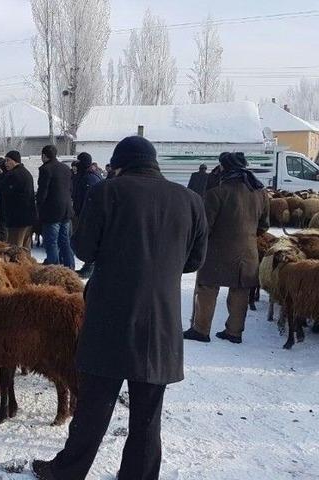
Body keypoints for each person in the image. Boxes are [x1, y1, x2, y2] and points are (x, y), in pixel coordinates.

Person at [32, 136, 208, 480]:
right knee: (147, 415)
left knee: (93, 407)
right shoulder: (190, 201)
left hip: (110, 317)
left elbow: (84, 249)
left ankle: (67, 472)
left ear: (120, 163)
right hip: (161, 321)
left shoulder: (107, 192)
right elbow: (195, 261)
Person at [184, 152, 268, 345]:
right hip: (247, 253)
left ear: (224, 167)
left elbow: (205, 226)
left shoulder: (217, 193)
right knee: (240, 291)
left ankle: (201, 330)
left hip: (216, 252)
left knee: (207, 289)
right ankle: (234, 332)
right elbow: (264, 225)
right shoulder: (260, 192)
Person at [36, 145, 75, 268]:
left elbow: (43, 192)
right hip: (67, 209)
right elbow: (70, 188)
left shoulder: (45, 169)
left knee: (51, 242)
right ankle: (70, 267)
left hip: (52, 211)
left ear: (43, 156)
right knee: (65, 241)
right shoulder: (65, 168)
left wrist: (39, 207)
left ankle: (55, 270)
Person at [71, 152, 104, 278]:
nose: (76, 165)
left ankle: (89, 267)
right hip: (84, 212)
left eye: (78, 162)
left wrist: (84, 212)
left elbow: (87, 198)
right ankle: (88, 266)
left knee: (89, 240)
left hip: (87, 214)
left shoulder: (89, 177)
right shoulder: (88, 175)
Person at [0, 150, 35, 248]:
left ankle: (18, 263)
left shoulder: (13, 175)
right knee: (25, 247)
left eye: (8, 160)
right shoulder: (26, 173)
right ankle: (28, 263)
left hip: (17, 219)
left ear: (15, 161)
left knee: (15, 248)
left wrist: (1, 176)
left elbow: (0, 190)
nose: (6, 163)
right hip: (28, 217)